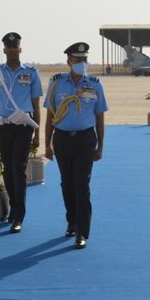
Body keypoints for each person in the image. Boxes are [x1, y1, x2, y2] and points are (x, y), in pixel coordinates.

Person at [43, 42, 108, 249]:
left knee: (81, 184)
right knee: (67, 183)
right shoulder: (56, 83)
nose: (82, 63)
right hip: (62, 139)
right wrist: (47, 145)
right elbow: (50, 116)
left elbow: (100, 118)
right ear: (69, 61)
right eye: (78, 59)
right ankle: (71, 221)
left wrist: (100, 147)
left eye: (85, 59)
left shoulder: (95, 84)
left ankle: (82, 231)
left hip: (85, 140)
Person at [0, 32, 42, 233]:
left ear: (21, 49)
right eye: (9, 47)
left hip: (24, 127)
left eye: (15, 47)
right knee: (8, 170)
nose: (12, 50)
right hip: (3, 126)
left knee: (19, 170)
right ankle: (12, 207)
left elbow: (36, 104)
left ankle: (19, 215)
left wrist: (37, 133)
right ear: (4, 50)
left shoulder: (32, 72)